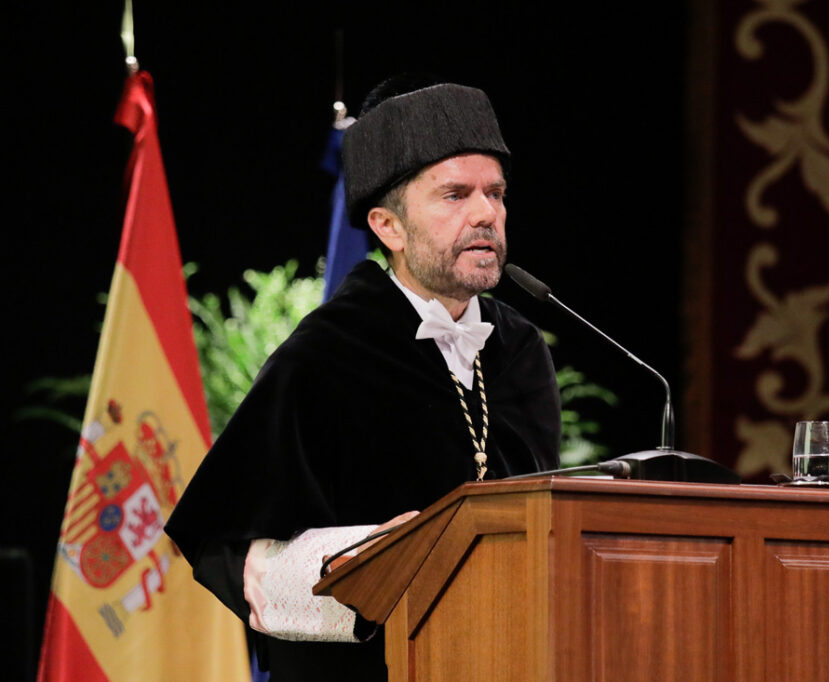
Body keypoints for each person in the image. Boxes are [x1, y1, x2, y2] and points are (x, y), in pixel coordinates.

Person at [164, 78, 562, 681]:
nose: (486, 214)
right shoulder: (327, 354)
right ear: (389, 228)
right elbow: (224, 543)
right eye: (455, 195)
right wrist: (369, 556)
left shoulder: (522, 351)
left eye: (496, 193)